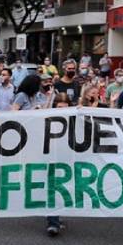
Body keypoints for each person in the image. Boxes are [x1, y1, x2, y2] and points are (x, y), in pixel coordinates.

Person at [44, 92, 74, 236]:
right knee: (52, 187)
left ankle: (56, 216)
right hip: (50, 157)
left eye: (65, 107)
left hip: (67, 158)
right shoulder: (48, 117)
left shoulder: (74, 118)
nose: (62, 109)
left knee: (62, 188)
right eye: (59, 106)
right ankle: (53, 222)